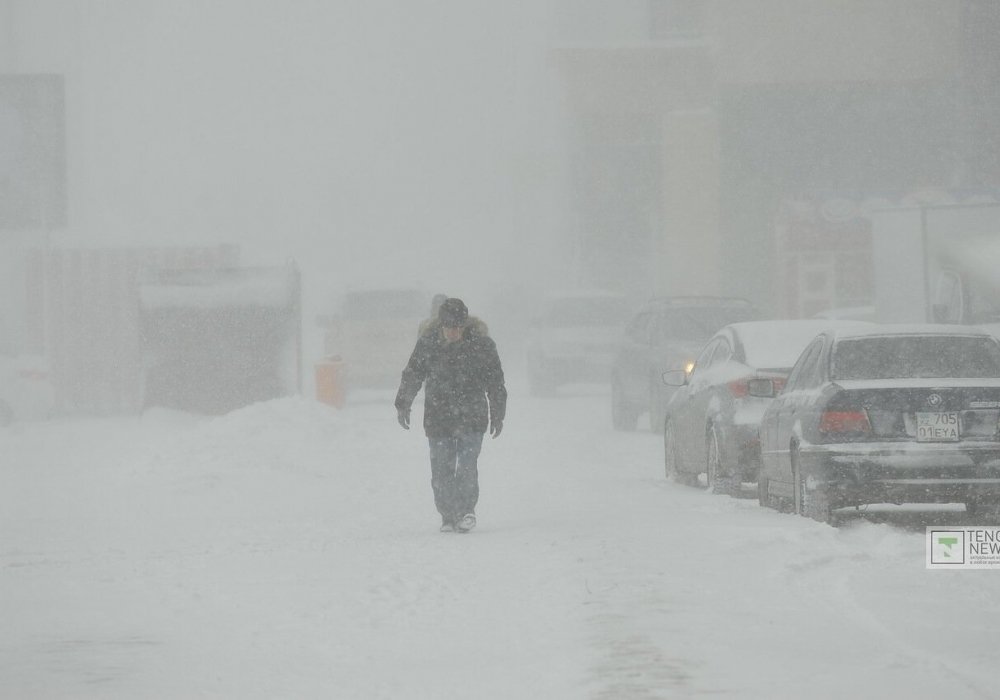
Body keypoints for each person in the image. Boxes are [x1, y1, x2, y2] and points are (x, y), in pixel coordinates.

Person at [395, 297, 506, 533]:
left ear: (464, 325)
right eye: (448, 327)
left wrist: (498, 411)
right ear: (441, 325)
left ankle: (466, 511)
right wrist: (403, 403)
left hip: (472, 417)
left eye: (457, 327)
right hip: (439, 417)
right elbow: (413, 374)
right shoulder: (428, 345)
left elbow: (495, 381)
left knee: (466, 466)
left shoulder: (482, 346)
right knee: (441, 469)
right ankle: (447, 514)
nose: (453, 332)